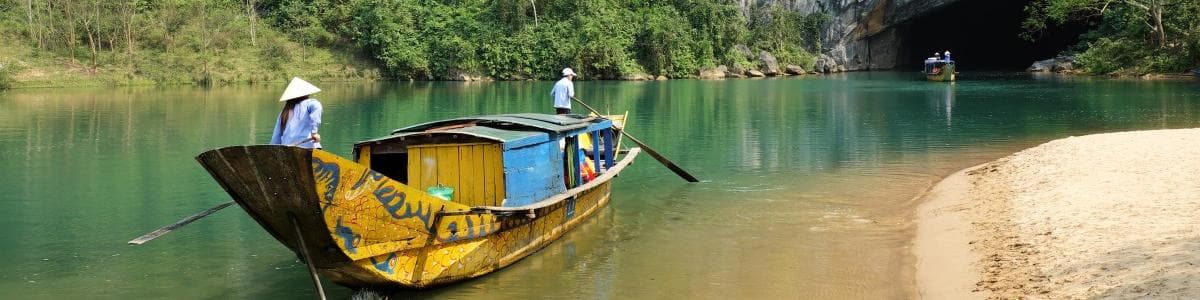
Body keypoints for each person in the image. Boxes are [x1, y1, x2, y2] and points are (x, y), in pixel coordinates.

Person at [271, 77, 323, 149]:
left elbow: (276, 138)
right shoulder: (309, 103)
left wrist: (274, 151)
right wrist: (314, 132)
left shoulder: (283, 113)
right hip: (308, 148)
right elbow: (317, 106)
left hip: (287, 150)